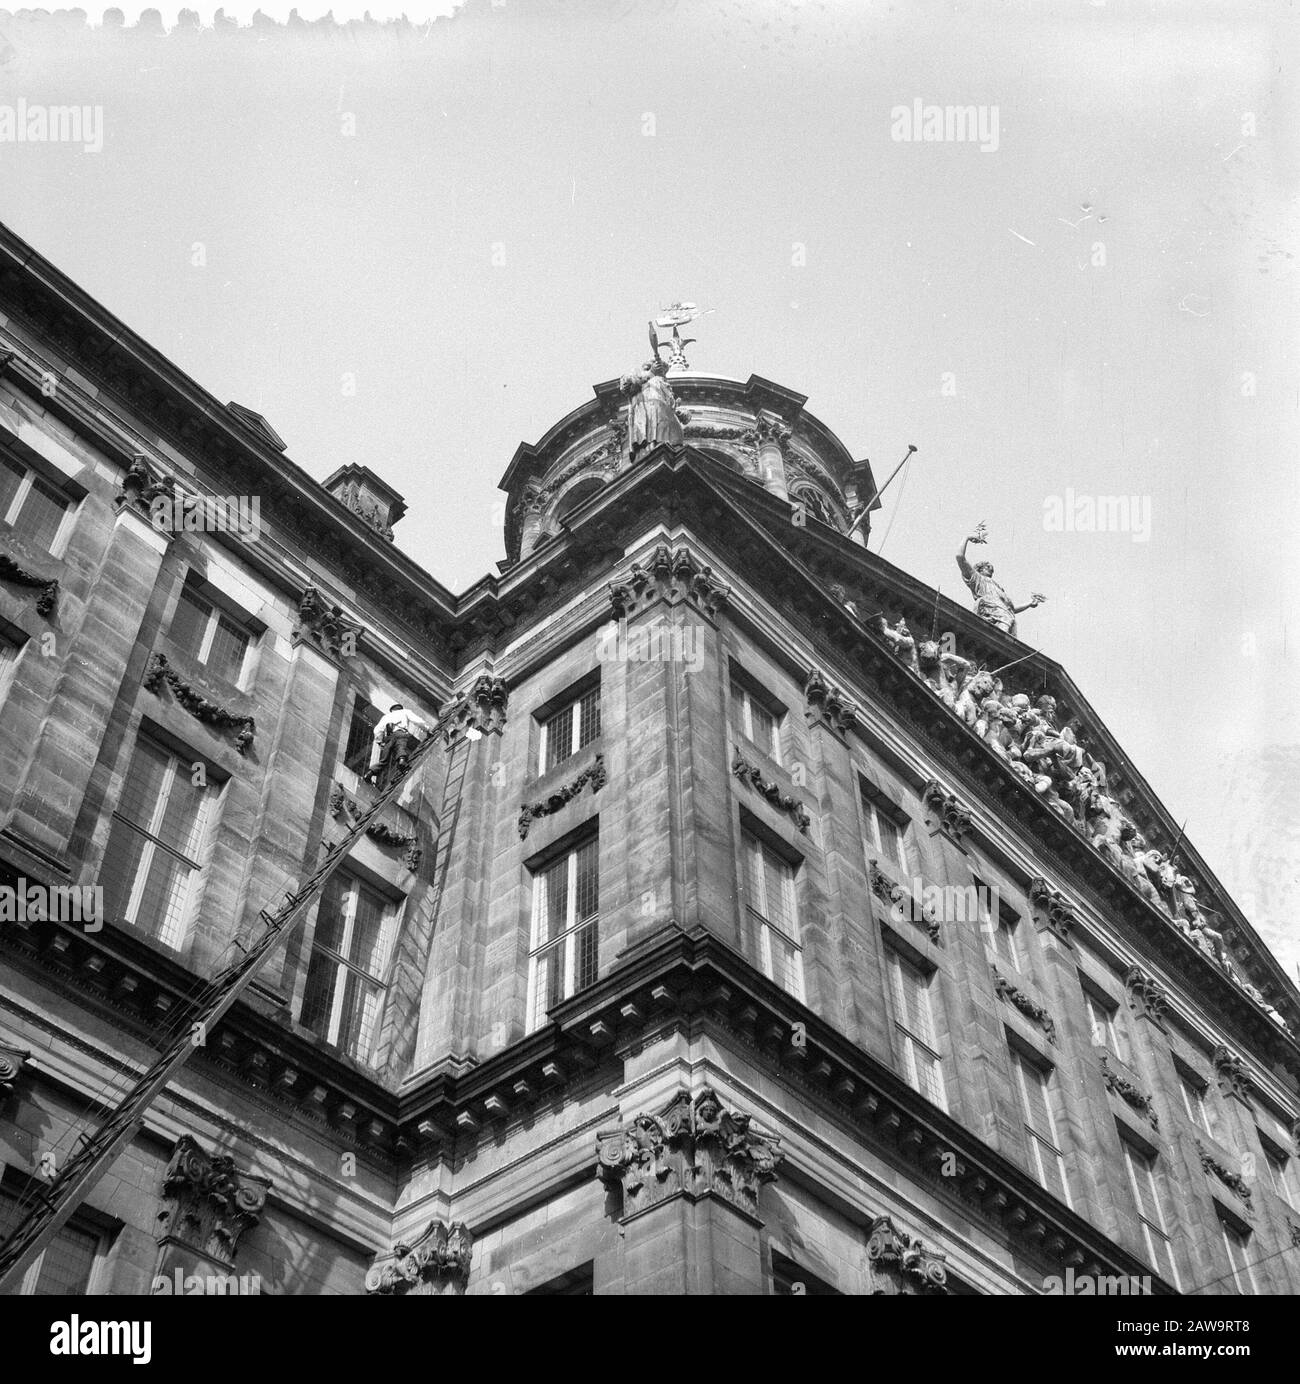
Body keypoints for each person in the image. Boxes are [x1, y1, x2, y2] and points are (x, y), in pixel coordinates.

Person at [956, 524, 1045, 637]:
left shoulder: (999, 589)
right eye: (987, 567)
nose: (990, 569)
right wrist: (967, 537)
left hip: (1004, 614)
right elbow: (960, 557)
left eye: (991, 568)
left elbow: (1010, 609)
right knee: (1005, 620)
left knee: (1009, 622)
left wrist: (1029, 603)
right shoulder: (977, 578)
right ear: (979, 569)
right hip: (988, 607)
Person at [367, 703, 426, 787]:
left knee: (384, 760)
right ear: (400, 709)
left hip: (389, 738)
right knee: (400, 747)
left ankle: (369, 774)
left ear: (392, 710)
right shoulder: (405, 712)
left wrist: (380, 742)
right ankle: (402, 761)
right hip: (400, 733)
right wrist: (427, 729)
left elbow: (377, 730)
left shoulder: (386, 716)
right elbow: (418, 721)